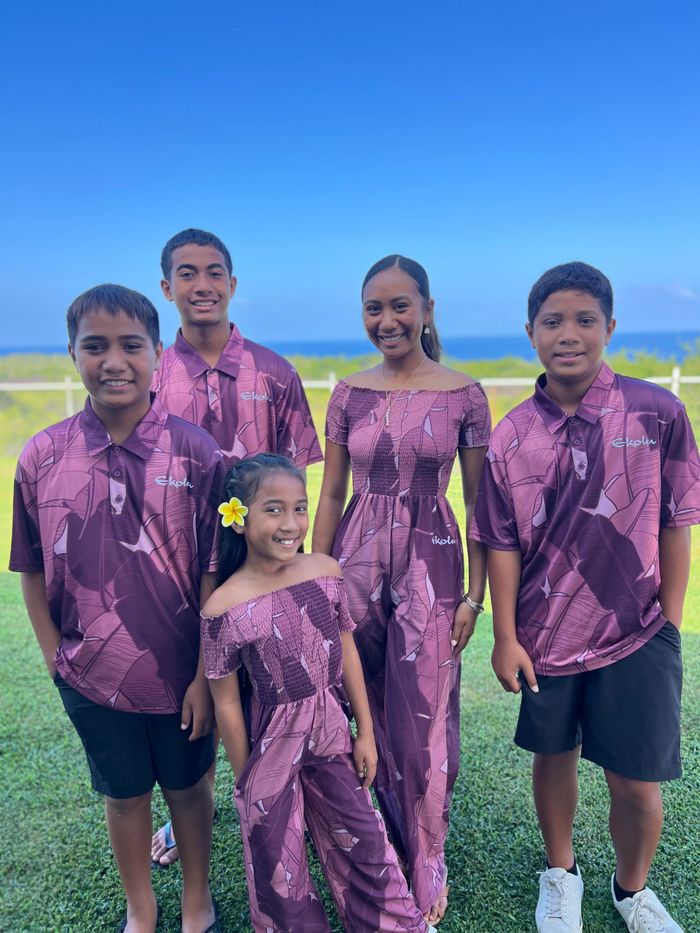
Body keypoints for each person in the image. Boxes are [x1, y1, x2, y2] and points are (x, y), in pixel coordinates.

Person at [471, 262, 700, 933]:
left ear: (610, 327)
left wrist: (671, 619)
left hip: (638, 630)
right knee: (555, 757)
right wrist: (506, 635)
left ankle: (633, 891)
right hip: (544, 633)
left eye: (585, 320)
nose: (568, 334)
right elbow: (501, 542)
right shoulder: (512, 434)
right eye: (552, 321)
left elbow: (678, 520)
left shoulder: (657, 412)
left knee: (638, 783)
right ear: (530, 332)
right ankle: (561, 874)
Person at [10, 285, 225, 933]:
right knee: (124, 795)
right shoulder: (42, 456)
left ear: (157, 352)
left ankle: (196, 902)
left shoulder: (197, 452)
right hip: (90, 676)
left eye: (131, 345)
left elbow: (215, 571)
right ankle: (141, 909)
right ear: (71, 353)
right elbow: (31, 567)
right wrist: (55, 658)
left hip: (183, 675)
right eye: (95, 346)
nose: (114, 361)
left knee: (188, 790)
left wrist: (205, 675)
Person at [312, 255, 491, 925]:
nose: (386, 320)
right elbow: (331, 491)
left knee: (423, 713)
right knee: (354, 700)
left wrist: (475, 596)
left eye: (399, 305)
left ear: (427, 309)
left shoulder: (465, 394)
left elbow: (481, 504)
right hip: (354, 560)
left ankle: (426, 852)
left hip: (432, 566)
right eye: (373, 308)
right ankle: (372, 833)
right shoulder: (347, 393)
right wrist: (315, 576)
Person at [200, 453, 434, 932]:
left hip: (329, 729)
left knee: (363, 834)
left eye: (300, 508)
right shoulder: (222, 607)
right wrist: (246, 778)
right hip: (271, 742)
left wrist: (364, 732)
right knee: (277, 860)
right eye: (273, 510)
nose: (291, 524)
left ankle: (393, 923)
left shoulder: (325, 573)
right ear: (238, 517)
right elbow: (226, 700)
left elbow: (347, 649)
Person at [151, 227, 323, 865]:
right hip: (176, 566)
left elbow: (298, 481)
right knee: (192, 690)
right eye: (187, 273)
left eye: (214, 272)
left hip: (263, 565)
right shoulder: (152, 375)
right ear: (166, 287)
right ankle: (190, 810)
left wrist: (293, 562)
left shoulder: (274, 373)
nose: (202, 285)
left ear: (233, 283)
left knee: (275, 685)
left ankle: (287, 795)